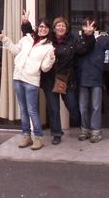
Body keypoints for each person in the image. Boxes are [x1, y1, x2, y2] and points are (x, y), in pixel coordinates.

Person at [22, 12, 95, 144]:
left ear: (66, 28)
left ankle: (83, 128)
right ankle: (56, 134)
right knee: (54, 108)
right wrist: (26, 24)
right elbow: (32, 34)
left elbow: (84, 48)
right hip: (49, 79)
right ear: (54, 28)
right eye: (58, 25)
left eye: (63, 26)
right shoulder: (47, 39)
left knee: (72, 106)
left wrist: (89, 35)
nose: (60, 28)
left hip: (66, 79)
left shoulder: (72, 40)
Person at [0, 16, 56, 150]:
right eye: (41, 26)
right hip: (18, 78)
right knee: (23, 110)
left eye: (45, 27)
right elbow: (15, 50)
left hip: (31, 81)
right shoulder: (26, 39)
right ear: (37, 27)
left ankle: (38, 137)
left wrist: (51, 59)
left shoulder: (48, 47)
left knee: (32, 110)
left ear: (48, 30)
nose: (43, 29)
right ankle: (26, 135)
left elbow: (44, 68)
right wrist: (5, 39)